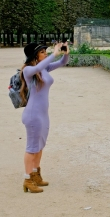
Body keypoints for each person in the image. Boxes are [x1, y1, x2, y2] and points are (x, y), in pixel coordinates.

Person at [20, 41, 69, 193]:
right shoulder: (28, 70)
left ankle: (35, 174)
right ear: (35, 55)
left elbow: (62, 62)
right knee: (32, 148)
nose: (45, 53)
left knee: (40, 146)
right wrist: (54, 53)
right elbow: (38, 67)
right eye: (42, 52)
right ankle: (27, 179)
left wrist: (66, 53)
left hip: (42, 114)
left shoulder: (45, 67)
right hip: (33, 115)